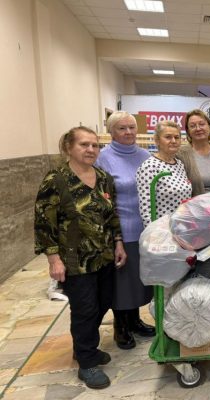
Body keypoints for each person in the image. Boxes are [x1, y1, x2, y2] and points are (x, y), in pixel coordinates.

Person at [34, 126, 125, 389]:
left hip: (105, 254)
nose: (90, 150)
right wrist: (54, 259)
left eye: (95, 145)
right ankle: (86, 361)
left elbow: (112, 214)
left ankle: (84, 346)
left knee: (104, 302)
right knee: (84, 310)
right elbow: (43, 223)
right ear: (68, 148)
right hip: (75, 259)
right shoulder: (56, 180)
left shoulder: (103, 177)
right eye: (84, 145)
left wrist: (118, 242)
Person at [96, 111, 154, 351]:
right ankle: (121, 326)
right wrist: (114, 235)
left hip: (145, 228)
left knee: (139, 280)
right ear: (111, 132)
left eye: (131, 127)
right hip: (120, 229)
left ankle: (135, 320)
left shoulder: (145, 155)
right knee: (122, 282)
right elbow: (102, 200)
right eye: (122, 128)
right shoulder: (103, 158)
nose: (128, 132)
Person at [136, 120, 192, 228]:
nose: (173, 141)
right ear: (157, 140)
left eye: (177, 137)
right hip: (162, 232)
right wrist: (154, 234)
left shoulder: (179, 164)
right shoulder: (149, 167)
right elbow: (146, 209)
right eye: (168, 137)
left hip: (181, 229)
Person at [177, 109, 210, 196]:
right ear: (188, 131)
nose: (198, 128)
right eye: (192, 126)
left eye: (202, 124)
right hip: (193, 207)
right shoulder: (180, 155)